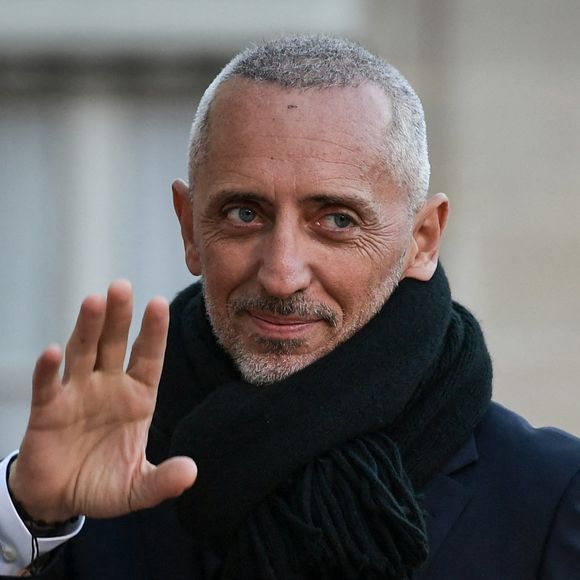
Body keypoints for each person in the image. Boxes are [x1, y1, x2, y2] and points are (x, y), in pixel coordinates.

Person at [1, 35, 579, 579]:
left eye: (336, 221)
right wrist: (27, 517)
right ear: (189, 228)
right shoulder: (89, 482)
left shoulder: (551, 495)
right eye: (244, 214)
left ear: (423, 239)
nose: (281, 275)